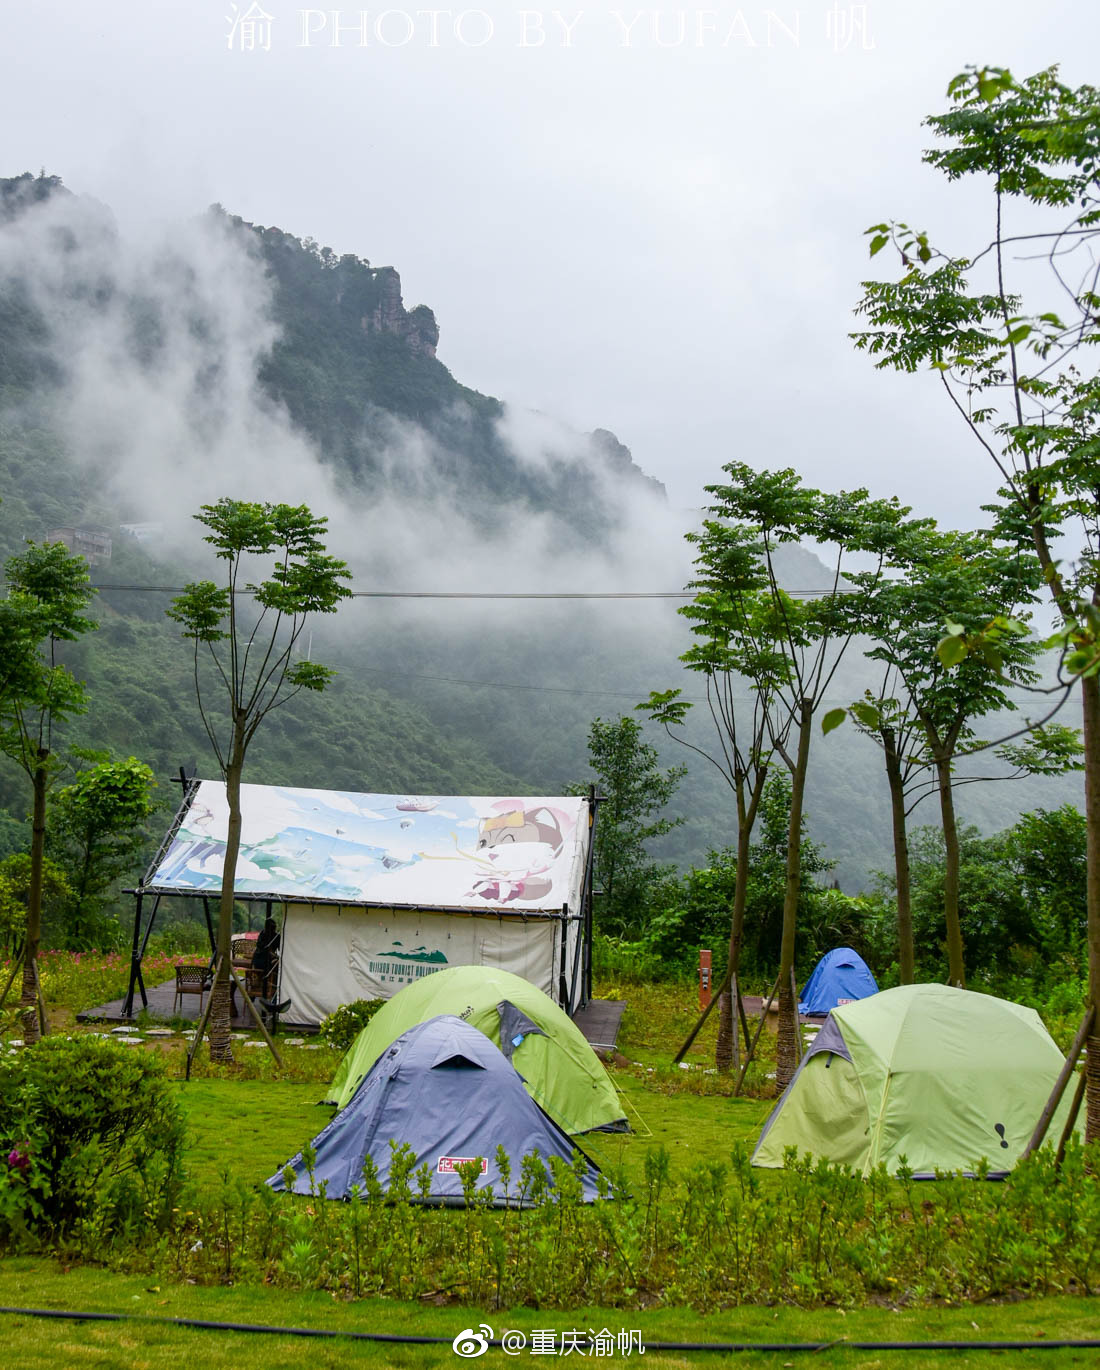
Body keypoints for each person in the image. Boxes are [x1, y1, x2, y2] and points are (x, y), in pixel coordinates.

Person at [251, 915, 281, 1002]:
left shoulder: (265, 934)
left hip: (258, 960)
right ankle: (271, 991)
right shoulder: (267, 935)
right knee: (273, 972)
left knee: (259, 975)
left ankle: (256, 990)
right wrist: (275, 956)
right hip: (264, 961)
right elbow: (267, 949)